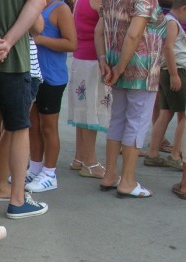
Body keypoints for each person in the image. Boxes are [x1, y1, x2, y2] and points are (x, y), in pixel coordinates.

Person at [95, 0, 166, 197]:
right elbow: (134, 34)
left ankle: (110, 175)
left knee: (117, 119)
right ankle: (127, 181)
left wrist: (104, 61)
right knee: (137, 122)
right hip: (142, 69)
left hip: (115, 63)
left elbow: (99, 31)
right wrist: (120, 67)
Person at [0, 0, 48, 219]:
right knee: (18, 128)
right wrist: (8, 42)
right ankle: (18, 200)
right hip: (15, 58)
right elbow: (37, 18)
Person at [26, 0, 77, 192]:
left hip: (52, 77)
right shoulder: (35, 5)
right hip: (33, 75)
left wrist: (40, 39)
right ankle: (35, 167)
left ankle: (49, 173)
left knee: (48, 127)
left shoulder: (60, 8)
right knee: (32, 125)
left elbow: (71, 43)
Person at [67, 0, 112, 179]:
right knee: (91, 111)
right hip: (93, 59)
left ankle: (80, 157)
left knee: (83, 109)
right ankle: (90, 162)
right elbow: (101, 31)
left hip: (81, 58)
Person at [145, 0, 186, 171]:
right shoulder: (172, 22)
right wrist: (175, 74)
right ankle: (176, 155)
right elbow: (168, 48)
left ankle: (153, 153)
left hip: (167, 71)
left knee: (165, 113)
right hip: (175, 71)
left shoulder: (168, 20)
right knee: (184, 115)